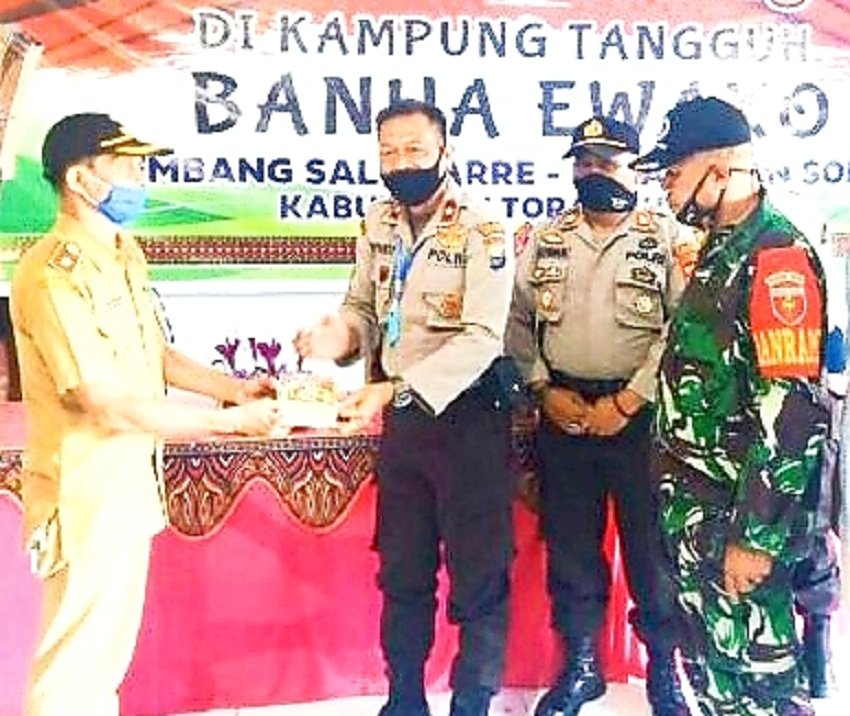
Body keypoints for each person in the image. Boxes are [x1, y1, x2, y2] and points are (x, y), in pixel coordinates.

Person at [11, 112, 282, 716]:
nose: (141, 178)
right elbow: (104, 404)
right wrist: (225, 423)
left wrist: (234, 390)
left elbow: (156, 355)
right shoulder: (53, 275)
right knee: (72, 668)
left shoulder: (121, 252)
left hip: (128, 489)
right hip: (84, 499)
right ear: (79, 180)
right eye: (125, 166)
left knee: (105, 664)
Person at [294, 99, 516, 716]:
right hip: (405, 428)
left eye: (415, 150)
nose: (401, 163)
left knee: (479, 576)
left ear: (446, 152)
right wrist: (336, 336)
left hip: (468, 420)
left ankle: (472, 701)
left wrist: (393, 390)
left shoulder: (484, 228)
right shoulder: (379, 223)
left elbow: (482, 337)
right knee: (402, 571)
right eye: (388, 152)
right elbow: (363, 309)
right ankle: (404, 697)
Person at [632, 96, 830, 716]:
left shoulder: (776, 260)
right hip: (698, 518)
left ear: (718, 170)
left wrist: (756, 538)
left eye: (674, 172)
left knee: (760, 690)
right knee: (716, 682)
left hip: (737, 524)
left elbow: (792, 414)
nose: (666, 187)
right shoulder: (722, 248)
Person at [505, 116, 690, 716]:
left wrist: (629, 400)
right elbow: (517, 322)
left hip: (640, 424)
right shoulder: (547, 238)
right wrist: (541, 388)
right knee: (571, 548)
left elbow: (682, 330)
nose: (592, 173)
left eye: (606, 162)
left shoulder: (667, 239)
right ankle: (581, 667)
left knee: (651, 553)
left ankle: (663, 669)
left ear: (636, 169)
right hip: (564, 416)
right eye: (583, 162)